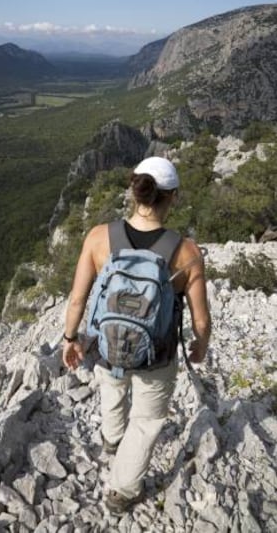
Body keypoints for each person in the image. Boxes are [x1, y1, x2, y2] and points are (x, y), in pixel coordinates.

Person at [62, 156, 211, 513]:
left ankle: (112, 441)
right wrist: (200, 344)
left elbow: (78, 298)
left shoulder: (99, 237)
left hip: (107, 344)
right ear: (171, 197)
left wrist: (70, 339)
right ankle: (122, 491)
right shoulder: (186, 251)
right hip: (156, 354)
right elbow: (201, 319)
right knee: (145, 420)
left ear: (134, 191)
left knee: (112, 389)